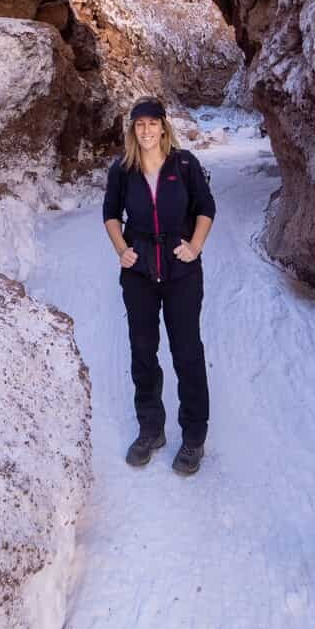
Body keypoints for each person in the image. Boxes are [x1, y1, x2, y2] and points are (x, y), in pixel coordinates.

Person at [103, 98, 216, 476]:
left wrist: (195, 246)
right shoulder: (123, 169)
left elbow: (205, 207)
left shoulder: (185, 165)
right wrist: (122, 251)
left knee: (187, 352)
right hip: (140, 274)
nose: (147, 131)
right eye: (140, 125)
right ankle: (150, 429)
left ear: (164, 128)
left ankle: (194, 437)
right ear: (133, 130)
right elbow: (110, 214)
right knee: (142, 351)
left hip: (181, 271)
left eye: (153, 124)